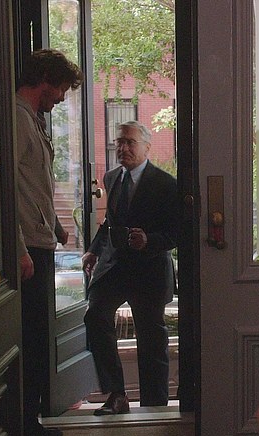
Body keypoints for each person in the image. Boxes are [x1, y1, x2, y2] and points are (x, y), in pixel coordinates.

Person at [82, 120, 180, 415]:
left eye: (130, 142)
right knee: (95, 315)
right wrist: (94, 250)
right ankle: (116, 395)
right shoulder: (111, 177)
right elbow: (110, 222)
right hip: (115, 268)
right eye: (119, 142)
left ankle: (155, 405)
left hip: (149, 271)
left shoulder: (165, 183)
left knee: (151, 338)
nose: (123, 148)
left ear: (147, 147)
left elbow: (177, 232)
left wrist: (149, 240)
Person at [15, 48, 83, 436]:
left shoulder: (33, 120)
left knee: (39, 339)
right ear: (43, 78)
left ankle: (33, 425)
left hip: (40, 243)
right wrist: (19, 249)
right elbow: (5, 188)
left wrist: (56, 226)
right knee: (32, 342)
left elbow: (34, 186)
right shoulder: (16, 120)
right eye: (60, 88)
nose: (60, 97)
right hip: (27, 252)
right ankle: (27, 434)